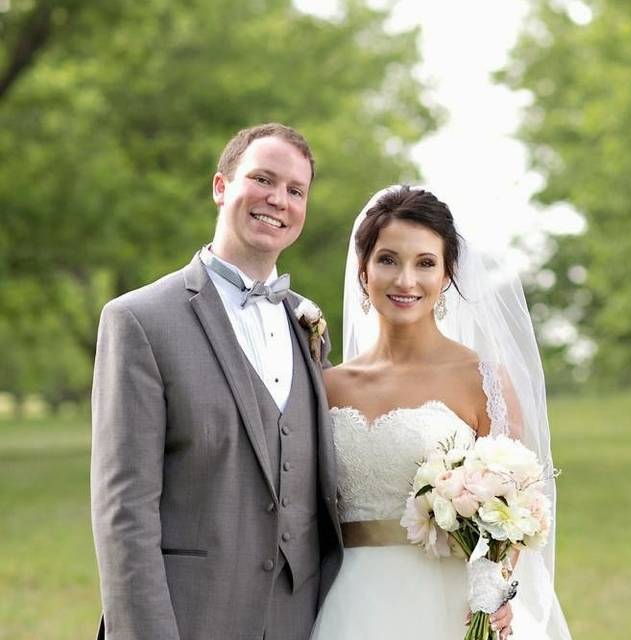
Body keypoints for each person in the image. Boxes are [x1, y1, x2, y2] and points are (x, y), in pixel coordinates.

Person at [90, 123, 342, 640]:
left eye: (296, 191)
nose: (278, 199)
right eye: (263, 179)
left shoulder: (307, 323)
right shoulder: (139, 319)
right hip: (192, 618)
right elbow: (124, 510)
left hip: (301, 619)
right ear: (221, 187)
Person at [310, 185, 572, 639]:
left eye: (425, 263)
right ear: (363, 270)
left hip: (452, 610)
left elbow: (516, 506)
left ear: (447, 274)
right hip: (349, 606)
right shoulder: (326, 386)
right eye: (388, 259)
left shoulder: (482, 380)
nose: (405, 281)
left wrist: (499, 590)